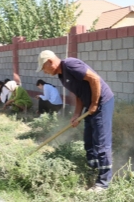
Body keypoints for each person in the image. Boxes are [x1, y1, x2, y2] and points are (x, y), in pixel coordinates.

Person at [36, 50, 114, 192]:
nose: (44, 72)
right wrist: (77, 114)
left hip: (102, 102)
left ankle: (103, 183)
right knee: (89, 141)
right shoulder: (61, 75)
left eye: (43, 68)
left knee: (101, 142)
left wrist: (95, 103)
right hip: (90, 104)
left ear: (49, 62)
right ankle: (93, 169)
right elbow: (79, 94)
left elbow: (94, 79)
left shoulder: (70, 65)